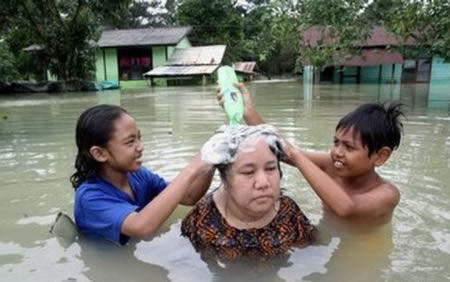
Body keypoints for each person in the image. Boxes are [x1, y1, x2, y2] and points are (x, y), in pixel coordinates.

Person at [218, 84, 404, 226]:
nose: (337, 152)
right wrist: (247, 112)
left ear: (381, 156)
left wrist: (296, 156)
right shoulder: (331, 164)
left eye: (349, 147)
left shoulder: (387, 194)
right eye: (336, 142)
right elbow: (284, 153)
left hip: (363, 251)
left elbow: (346, 208)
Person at [71, 104, 214, 245]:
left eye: (139, 138)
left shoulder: (138, 174)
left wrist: (211, 161)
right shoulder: (89, 198)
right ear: (100, 153)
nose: (141, 147)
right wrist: (191, 170)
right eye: (130, 141)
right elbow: (141, 227)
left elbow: (189, 197)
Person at [181, 125, 315, 261]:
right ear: (224, 179)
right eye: (248, 172)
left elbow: (308, 258)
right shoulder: (202, 221)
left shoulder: (289, 214)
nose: (263, 183)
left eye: (270, 168)